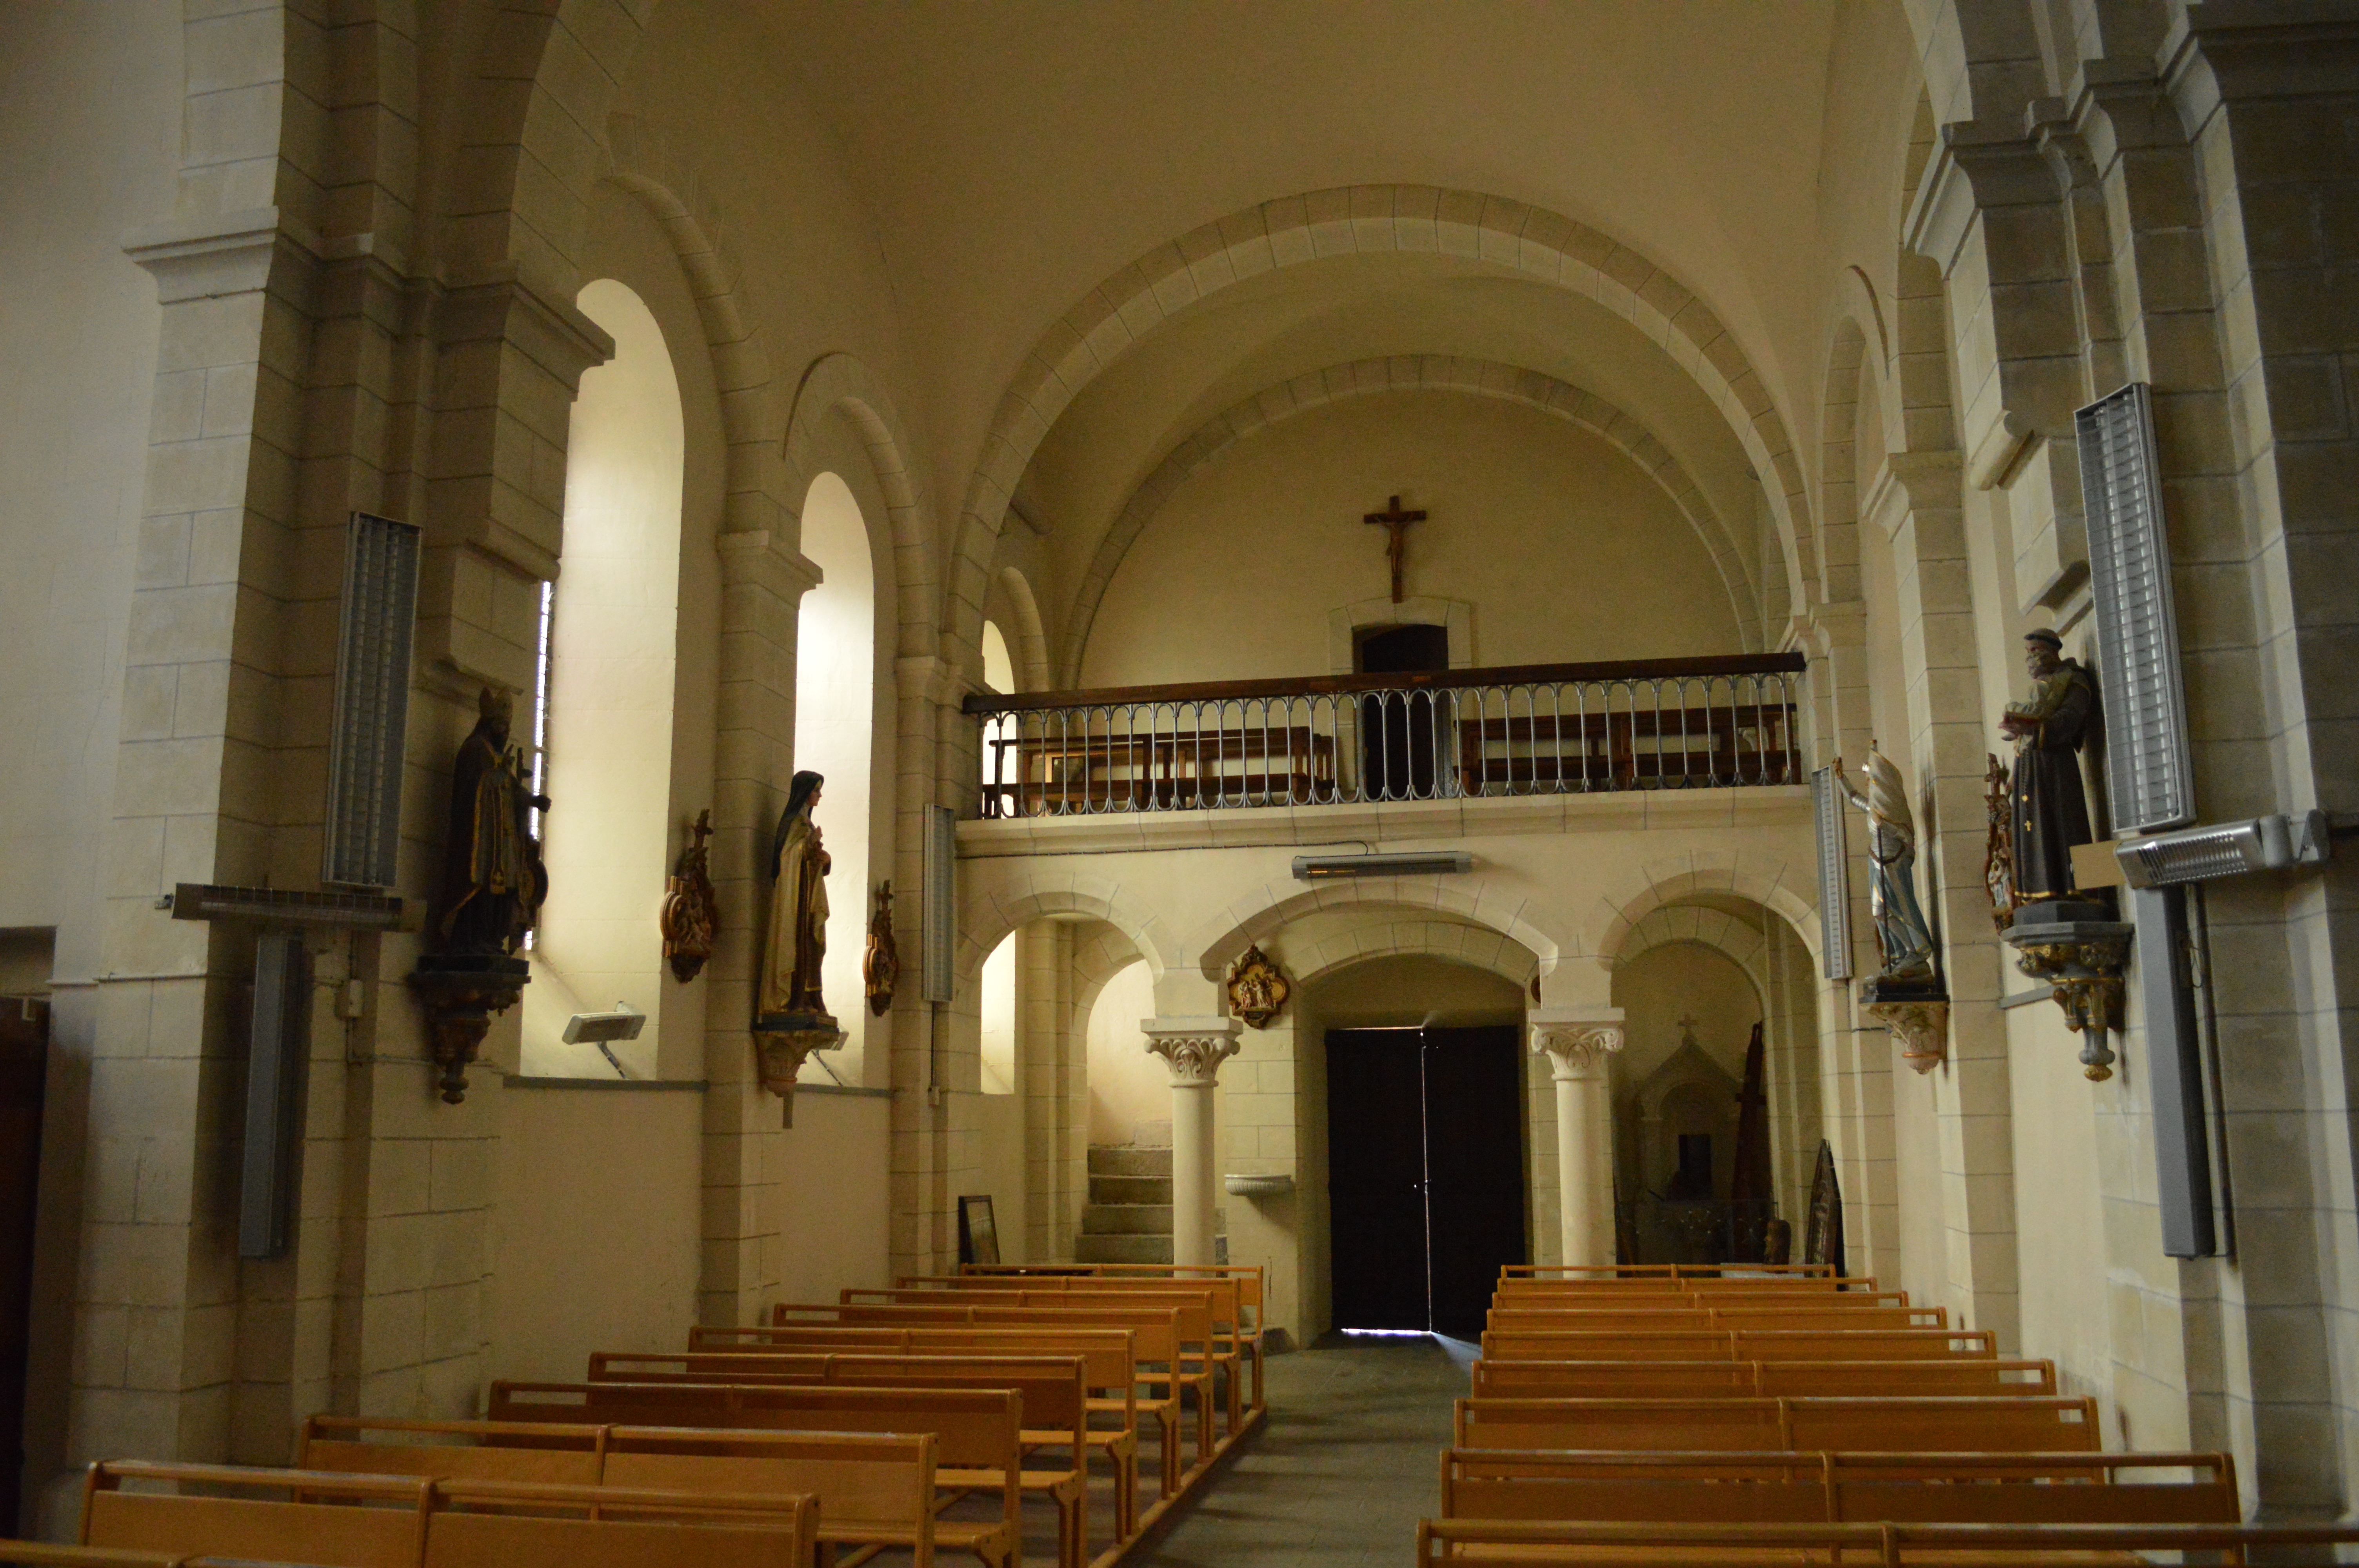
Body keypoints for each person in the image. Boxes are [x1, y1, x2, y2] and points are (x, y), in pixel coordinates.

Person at [434, 686, 549, 957]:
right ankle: (470, 939)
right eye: (500, 726)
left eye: (507, 728)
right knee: (479, 886)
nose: (505, 732)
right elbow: (471, 792)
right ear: (488, 725)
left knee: (504, 888)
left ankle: (490, 939)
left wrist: (532, 801)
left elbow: (510, 787)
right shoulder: (475, 751)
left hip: (500, 840)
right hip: (481, 839)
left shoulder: (496, 756)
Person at [1999, 628, 2098, 900]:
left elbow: (2071, 719)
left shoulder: (2075, 680)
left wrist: (2033, 728)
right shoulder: (2042, 687)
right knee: (2033, 827)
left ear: (2052, 651)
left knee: (2066, 822)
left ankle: (2085, 891)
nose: (2031, 657)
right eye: (2028, 653)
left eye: (2036, 651)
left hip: (2055, 763)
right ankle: (2038, 892)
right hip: (2030, 764)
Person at [1833, 745, 1938, 982]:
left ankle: (1916, 953)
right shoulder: (1873, 808)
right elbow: (1853, 798)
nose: (1869, 784)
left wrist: (1886, 826)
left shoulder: (1895, 810)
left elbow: (1907, 838)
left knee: (1901, 908)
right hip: (1876, 861)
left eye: (1872, 780)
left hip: (1894, 863)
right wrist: (1841, 778)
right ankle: (1899, 954)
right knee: (1880, 912)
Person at [760, 770, 831, 1018]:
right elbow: (787, 857)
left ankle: (810, 997)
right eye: (816, 790)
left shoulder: (806, 823)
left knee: (814, 945)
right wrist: (808, 847)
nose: (819, 795)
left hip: (807, 893)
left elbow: (811, 857)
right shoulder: (794, 823)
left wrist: (824, 858)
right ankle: (793, 998)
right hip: (795, 897)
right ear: (804, 792)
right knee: (799, 942)